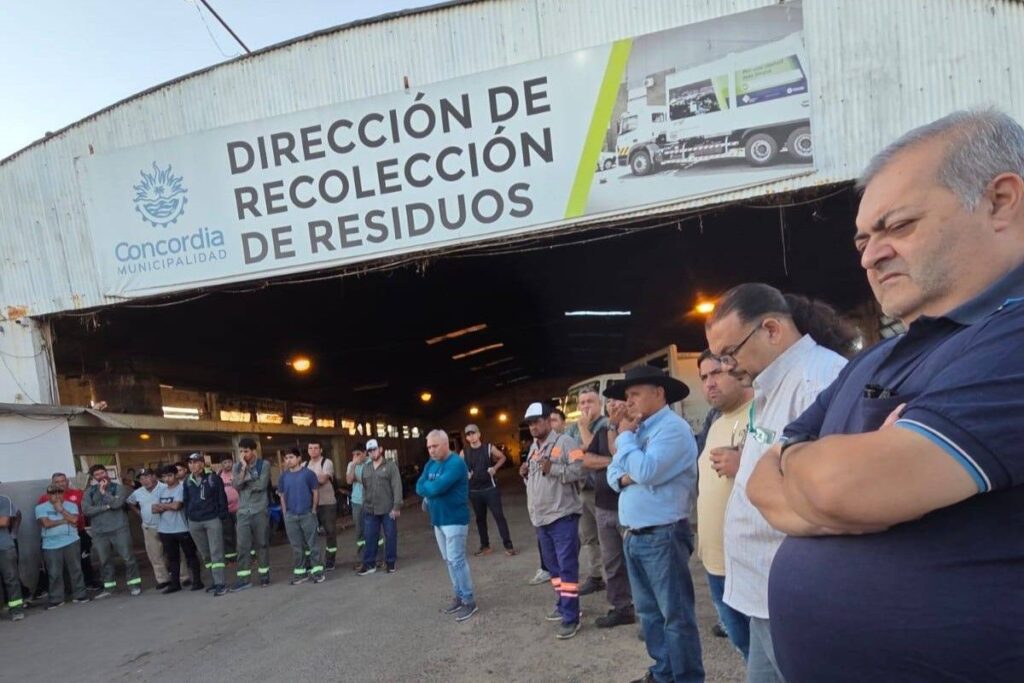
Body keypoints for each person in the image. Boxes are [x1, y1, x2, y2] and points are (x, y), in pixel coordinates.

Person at [747, 109, 1024, 682]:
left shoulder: (1012, 335)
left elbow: (845, 486)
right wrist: (817, 472)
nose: (871, 255)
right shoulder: (876, 357)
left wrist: (814, 473)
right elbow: (759, 484)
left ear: (1000, 201)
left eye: (898, 227)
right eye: (864, 238)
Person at [705, 284, 851, 683]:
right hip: (762, 594)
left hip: (792, 595)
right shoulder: (771, 388)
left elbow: (831, 501)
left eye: (729, 354)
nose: (727, 367)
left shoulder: (815, 384)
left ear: (771, 330)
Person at [605, 366, 704, 683]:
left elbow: (646, 471)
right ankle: (664, 673)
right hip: (635, 535)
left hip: (663, 534)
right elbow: (613, 475)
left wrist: (625, 443)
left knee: (675, 617)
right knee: (649, 615)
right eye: (626, 396)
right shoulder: (639, 431)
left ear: (659, 393)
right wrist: (627, 472)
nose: (628, 401)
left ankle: (686, 678)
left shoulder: (672, 429)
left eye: (634, 394)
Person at [695, 350, 753, 659]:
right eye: (704, 377)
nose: (709, 383)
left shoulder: (762, 411)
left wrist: (746, 464)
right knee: (744, 647)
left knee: (772, 654)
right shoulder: (716, 423)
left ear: (738, 369)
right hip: (716, 564)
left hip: (751, 563)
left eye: (716, 373)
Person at [520, 401, 585, 640]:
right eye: (530, 423)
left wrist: (554, 469)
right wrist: (526, 474)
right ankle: (564, 604)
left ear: (548, 420)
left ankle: (571, 617)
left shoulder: (566, 442)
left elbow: (581, 471)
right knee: (554, 567)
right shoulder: (533, 448)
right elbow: (539, 480)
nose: (533, 427)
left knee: (566, 567)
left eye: (537, 421)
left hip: (562, 516)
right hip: (541, 519)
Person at [580, 392, 635, 629]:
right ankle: (621, 608)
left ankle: (647, 610)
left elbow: (618, 453)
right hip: (602, 505)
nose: (612, 405)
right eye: (609, 401)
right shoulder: (603, 431)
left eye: (616, 400)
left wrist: (609, 458)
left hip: (627, 506)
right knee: (611, 561)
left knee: (636, 561)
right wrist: (612, 463)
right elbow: (586, 459)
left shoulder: (633, 430)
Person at [417, 429, 477, 622]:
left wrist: (430, 490)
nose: (431, 451)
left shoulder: (456, 464)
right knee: (449, 560)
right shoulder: (431, 463)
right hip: (439, 521)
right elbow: (419, 486)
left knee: (457, 560)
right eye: (428, 447)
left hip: (454, 520)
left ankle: (469, 601)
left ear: (445, 444)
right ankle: (459, 596)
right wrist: (429, 490)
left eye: (434, 446)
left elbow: (435, 487)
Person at [566, 388, 607, 597]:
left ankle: (617, 576)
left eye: (589, 401)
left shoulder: (605, 425)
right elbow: (568, 453)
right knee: (589, 536)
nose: (585, 406)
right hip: (582, 489)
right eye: (581, 403)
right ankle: (595, 575)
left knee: (608, 535)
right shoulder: (573, 429)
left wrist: (584, 432)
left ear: (599, 403)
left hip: (602, 490)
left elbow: (593, 451)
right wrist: (582, 449)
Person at [82, 464, 143, 598]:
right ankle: (109, 588)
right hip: (99, 532)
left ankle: (134, 585)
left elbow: (117, 504)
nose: (101, 476)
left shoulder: (118, 488)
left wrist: (105, 493)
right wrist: (105, 507)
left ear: (107, 473)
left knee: (128, 557)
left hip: (119, 529)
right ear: (93, 477)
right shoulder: (89, 492)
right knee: (104, 560)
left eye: (102, 473)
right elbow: (86, 510)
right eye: (97, 475)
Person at [37, 472, 99, 590]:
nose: (60, 484)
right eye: (57, 482)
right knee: (58, 567)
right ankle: (67, 589)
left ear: (67, 481)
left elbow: (86, 511)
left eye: (62, 481)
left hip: (77, 533)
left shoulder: (78, 494)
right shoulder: (44, 498)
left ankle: (89, 583)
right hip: (54, 539)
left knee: (83, 561)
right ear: (52, 483)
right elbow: (43, 520)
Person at [460, 423, 515, 556]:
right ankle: (485, 546)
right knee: (480, 519)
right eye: (468, 434)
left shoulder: (488, 448)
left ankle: (508, 546)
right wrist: (465, 473)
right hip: (474, 491)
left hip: (490, 489)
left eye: (473, 433)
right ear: (466, 438)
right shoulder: (464, 452)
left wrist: (494, 468)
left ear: (479, 434)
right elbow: (457, 467)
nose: (471, 436)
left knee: (499, 517)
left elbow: (503, 457)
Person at [35, 485, 90, 609]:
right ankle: (56, 599)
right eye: (52, 493)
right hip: (51, 544)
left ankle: (80, 594)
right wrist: (65, 520)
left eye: (59, 492)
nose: (56, 495)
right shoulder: (40, 507)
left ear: (63, 493)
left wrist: (61, 510)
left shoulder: (71, 505)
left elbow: (75, 520)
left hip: (71, 541)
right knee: (54, 573)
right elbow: (46, 523)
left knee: (76, 569)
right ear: (47, 494)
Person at [183, 453, 228, 597]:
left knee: (216, 552)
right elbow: (186, 500)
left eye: (195, 462)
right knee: (205, 553)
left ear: (202, 463)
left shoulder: (213, 478)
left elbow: (222, 498)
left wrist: (221, 516)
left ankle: (221, 583)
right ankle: (214, 581)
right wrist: (188, 517)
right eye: (190, 463)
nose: (192, 465)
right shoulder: (187, 481)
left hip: (211, 519)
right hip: (194, 521)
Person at [279, 447, 325, 585]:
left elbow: (315, 492)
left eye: (291, 457)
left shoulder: (308, 474)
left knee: (313, 544)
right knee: (296, 546)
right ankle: (301, 572)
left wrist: (313, 510)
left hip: (307, 514)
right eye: (286, 458)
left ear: (299, 458)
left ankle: (317, 572)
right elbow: (282, 496)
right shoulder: (283, 477)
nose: (288, 460)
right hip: (291, 516)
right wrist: (285, 513)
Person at [356, 439, 403, 575]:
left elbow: (397, 486)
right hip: (370, 509)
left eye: (374, 449)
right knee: (370, 536)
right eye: (369, 451)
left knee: (390, 535)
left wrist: (396, 506)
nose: (372, 452)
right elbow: (364, 488)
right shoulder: (366, 468)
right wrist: (364, 504)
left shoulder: (390, 466)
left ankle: (390, 562)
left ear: (380, 449)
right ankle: (369, 564)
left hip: (388, 509)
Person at [231, 437, 272, 590]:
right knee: (242, 546)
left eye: (246, 451)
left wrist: (244, 481)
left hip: (259, 509)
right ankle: (244, 579)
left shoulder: (264, 465)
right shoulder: (237, 467)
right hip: (243, 512)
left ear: (253, 451)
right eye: (240, 451)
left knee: (262, 543)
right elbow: (236, 485)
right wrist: (243, 469)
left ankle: (264, 575)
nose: (243, 455)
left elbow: (261, 484)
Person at [153, 465, 202, 594]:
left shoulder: (182, 487)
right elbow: (153, 509)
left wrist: (162, 506)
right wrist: (167, 506)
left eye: (169, 476)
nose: (166, 479)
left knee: (190, 555)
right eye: (164, 477)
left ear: (175, 475)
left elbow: (177, 506)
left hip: (182, 528)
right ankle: (175, 584)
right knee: (172, 558)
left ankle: (197, 581)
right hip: (165, 530)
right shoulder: (161, 490)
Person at [126, 468, 172, 589]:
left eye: (147, 477)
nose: (145, 480)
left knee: (174, 553)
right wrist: (139, 513)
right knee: (155, 555)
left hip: (167, 525)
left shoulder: (165, 487)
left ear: (154, 476)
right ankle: (163, 579)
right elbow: (130, 502)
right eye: (141, 478)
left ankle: (183, 577)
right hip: (149, 527)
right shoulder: (138, 492)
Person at [305, 439, 338, 571]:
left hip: (327, 503)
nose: (313, 450)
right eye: (310, 448)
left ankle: (330, 561)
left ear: (321, 450)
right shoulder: (304, 464)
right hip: (311, 504)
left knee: (330, 532)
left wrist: (307, 478)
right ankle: (311, 562)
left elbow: (323, 479)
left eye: (316, 448)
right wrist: (313, 478)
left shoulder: (327, 462)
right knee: (310, 534)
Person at [0, 492, 25, 621]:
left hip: (4, 547)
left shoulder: (3, 500)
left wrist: (14, 534)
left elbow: (4, 521)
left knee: (11, 579)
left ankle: (17, 610)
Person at [219, 457, 239, 564]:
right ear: (221, 464)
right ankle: (231, 558)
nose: (227, 464)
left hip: (239, 508)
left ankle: (251, 556)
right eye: (225, 462)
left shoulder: (237, 473)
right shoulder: (218, 476)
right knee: (228, 534)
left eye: (229, 462)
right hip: (226, 510)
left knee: (242, 533)